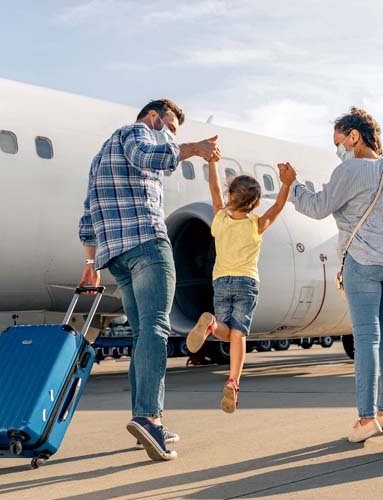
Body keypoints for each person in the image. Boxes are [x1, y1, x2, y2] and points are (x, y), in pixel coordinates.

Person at [278, 107, 383, 443]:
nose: (338, 149)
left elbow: (317, 208)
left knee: (367, 340)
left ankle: (365, 418)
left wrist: (292, 184)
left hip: (363, 262)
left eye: (338, 142)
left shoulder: (349, 170)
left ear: (354, 137)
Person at [77, 99, 221, 461]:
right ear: (154, 117)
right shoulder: (138, 132)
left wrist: (89, 262)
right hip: (146, 244)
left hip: (116, 257)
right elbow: (148, 157)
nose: (172, 136)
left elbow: (87, 213)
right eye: (171, 128)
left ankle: (146, 416)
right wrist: (193, 149)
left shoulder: (99, 158)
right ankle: (149, 417)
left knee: (143, 335)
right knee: (157, 330)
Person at [185, 160, 292, 413]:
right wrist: (286, 183)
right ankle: (234, 380)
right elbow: (277, 207)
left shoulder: (220, 219)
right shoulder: (255, 225)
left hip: (221, 280)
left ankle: (211, 325)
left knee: (225, 331)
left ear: (229, 195)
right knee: (239, 334)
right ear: (255, 204)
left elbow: (213, 189)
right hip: (247, 282)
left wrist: (212, 163)